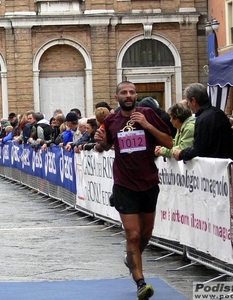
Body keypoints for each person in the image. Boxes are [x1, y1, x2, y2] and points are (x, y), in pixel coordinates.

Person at [94, 81, 173, 300]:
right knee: (134, 234)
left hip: (148, 182)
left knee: (146, 235)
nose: (128, 96)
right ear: (117, 96)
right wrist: (100, 142)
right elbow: (105, 146)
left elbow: (168, 141)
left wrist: (147, 125)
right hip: (124, 183)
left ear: (136, 95)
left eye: (131, 92)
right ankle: (140, 282)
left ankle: (132, 259)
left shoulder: (148, 113)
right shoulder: (111, 120)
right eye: (123, 93)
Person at [173, 83, 233, 161]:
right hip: (227, 163)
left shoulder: (202, 119)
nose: (188, 106)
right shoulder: (219, 113)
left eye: (188, 102)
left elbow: (199, 149)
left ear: (194, 101)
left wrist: (182, 153)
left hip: (213, 165)